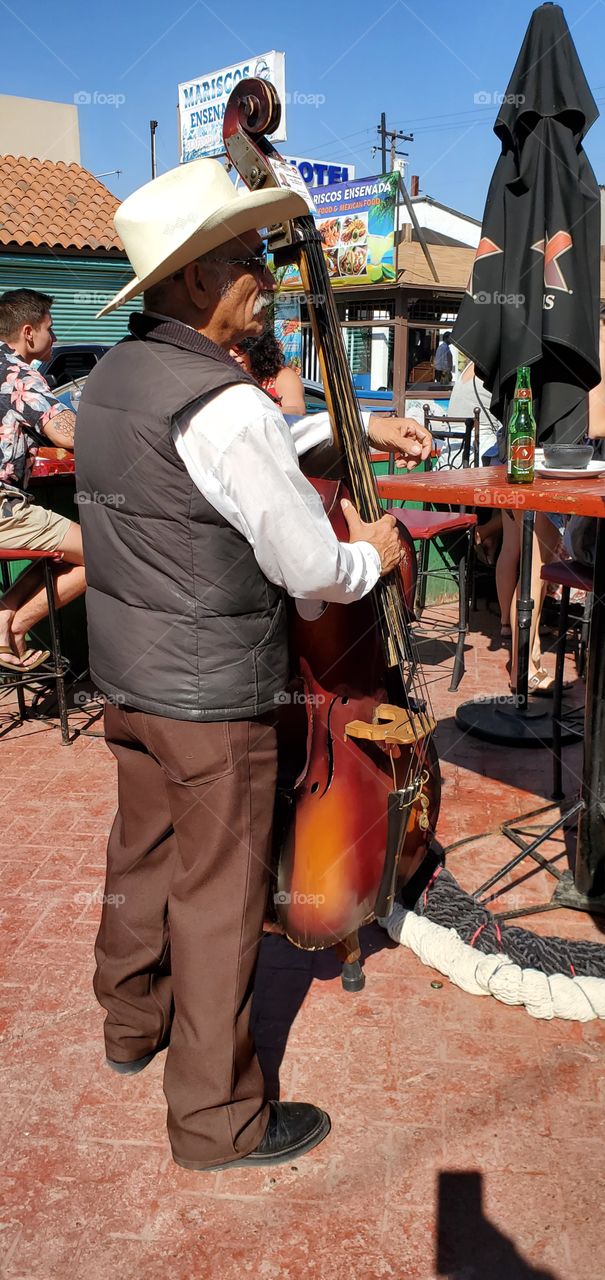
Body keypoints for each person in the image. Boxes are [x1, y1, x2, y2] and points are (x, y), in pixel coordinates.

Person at [75, 158, 432, 1175]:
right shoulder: (227, 405)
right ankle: (218, 1118)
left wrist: (317, 434)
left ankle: (128, 1022)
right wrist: (382, 553)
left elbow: (217, 466)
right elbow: (310, 570)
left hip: (130, 679)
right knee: (222, 895)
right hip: (212, 693)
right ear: (191, 282)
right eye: (245, 258)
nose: (266, 273)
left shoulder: (115, 376)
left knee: (138, 856)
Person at [0, 289, 86, 670]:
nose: (56, 337)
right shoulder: (18, 375)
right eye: (52, 328)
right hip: (4, 511)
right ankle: (15, 627)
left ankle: (3, 615)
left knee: (64, 548)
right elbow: (67, 433)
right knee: (105, 552)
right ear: (29, 332)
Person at [231, 326, 306, 414]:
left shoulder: (282, 375)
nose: (232, 354)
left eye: (241, 350)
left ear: (258, 350)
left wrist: (254, 414)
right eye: (229, 348)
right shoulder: (227, 377)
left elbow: (298, 411)